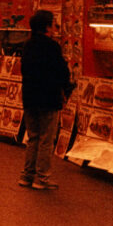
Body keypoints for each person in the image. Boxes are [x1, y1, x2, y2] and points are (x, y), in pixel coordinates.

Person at [18, 10, 73, 191]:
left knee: (33, 137)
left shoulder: (27, 45)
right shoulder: (52, 47)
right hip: (48, 97)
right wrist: (66, 89)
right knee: (46, 139)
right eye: (54, 23)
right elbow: (61, 72)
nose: (56, 27)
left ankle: (27, 175)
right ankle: (42, 178)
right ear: (47, 26)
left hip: (30, 96)